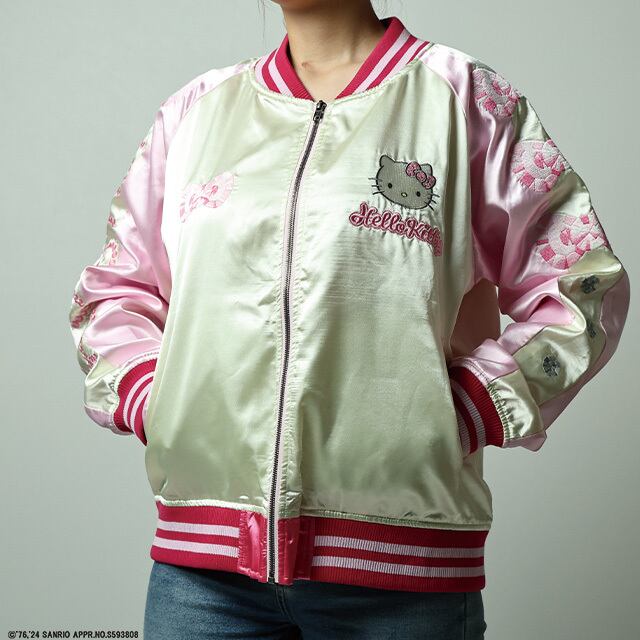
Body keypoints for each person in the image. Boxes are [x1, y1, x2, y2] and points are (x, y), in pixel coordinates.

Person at [67, 0, 631, 638]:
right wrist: (156, 401)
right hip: (203, 578)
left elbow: (581, 283)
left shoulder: (463, 100)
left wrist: (474, 406)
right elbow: (116, 288)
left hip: (403, 579)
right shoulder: (197, 113)